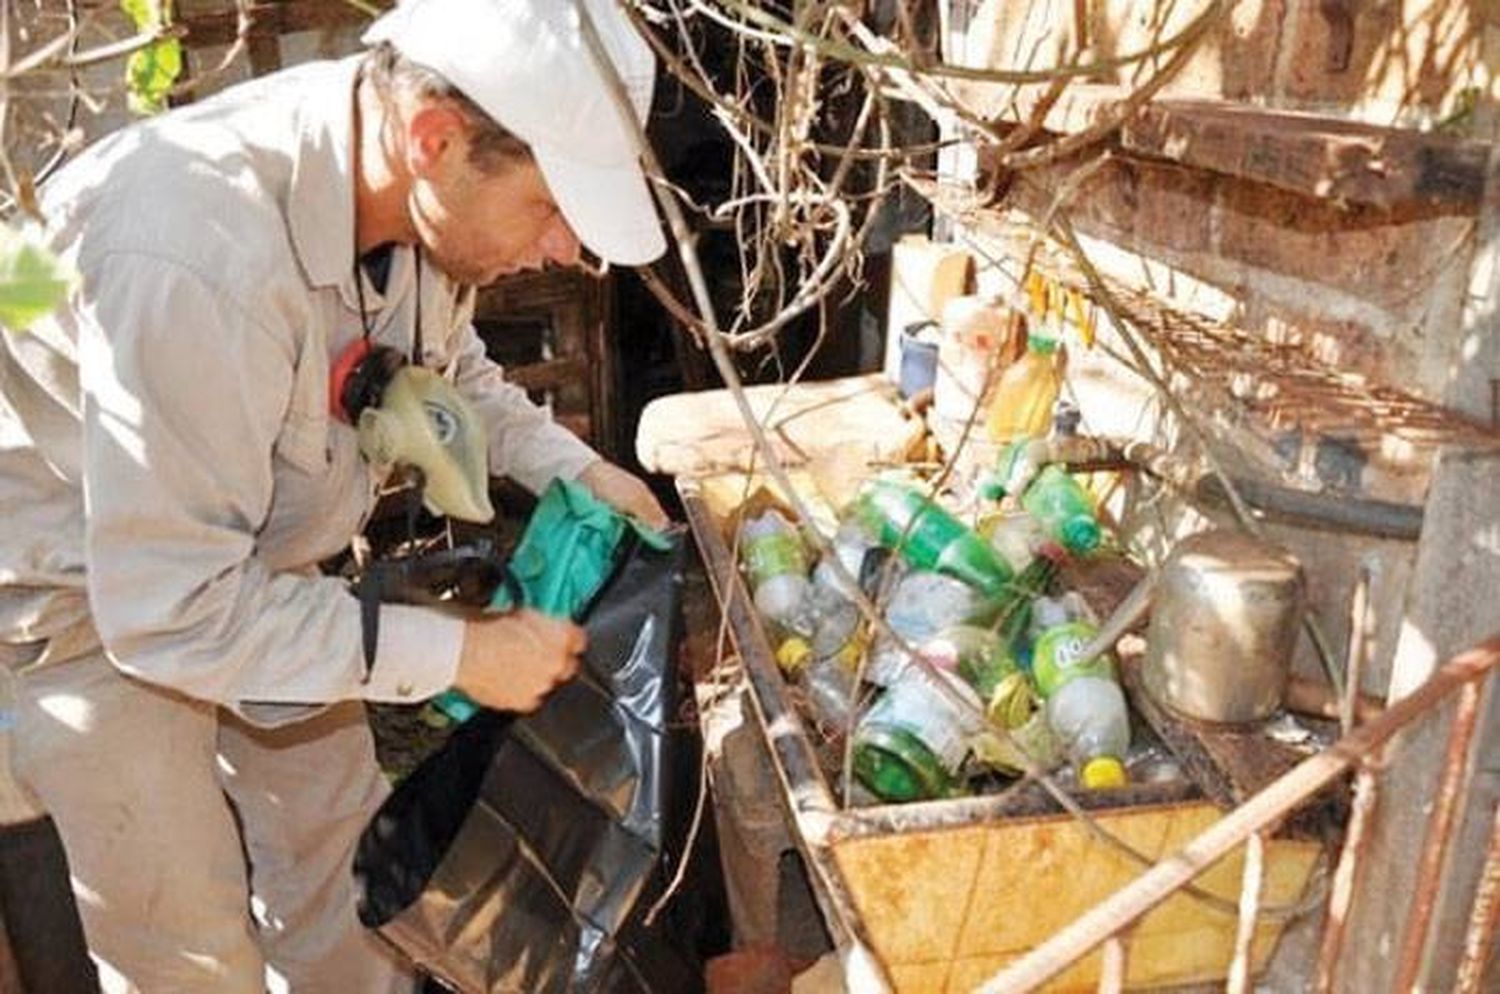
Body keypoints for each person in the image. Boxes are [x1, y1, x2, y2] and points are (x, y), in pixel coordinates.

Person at [0, 0, 671, 990]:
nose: (568, 249)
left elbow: (447, 374)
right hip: (96, 603)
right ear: (435, 139)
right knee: (191, 949)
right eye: (551, 207)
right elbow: (170, 611)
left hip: (254, 560)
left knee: (344, 870)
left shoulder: (401, 187)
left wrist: (575, 469)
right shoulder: (199, 256)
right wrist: (461, 652)